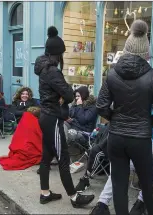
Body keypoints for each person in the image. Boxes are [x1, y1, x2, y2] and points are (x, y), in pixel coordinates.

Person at [96, 20, 153, 215]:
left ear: (127, 48)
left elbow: (101, 106)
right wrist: (146, 123)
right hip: (141, 138)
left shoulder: (112, 73)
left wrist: (116, 118)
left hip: (117, 137)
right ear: (146, 52)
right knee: (147, 183)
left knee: (119, 183)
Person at [90, 84, 153, 215]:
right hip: (141, 141)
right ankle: (102, 203)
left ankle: (142, 201)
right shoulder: (148, 109)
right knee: (120, 167)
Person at [34, 26, 95, 208]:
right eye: (62, 54)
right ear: (57, 54)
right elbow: (69, 95)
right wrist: (64, 95)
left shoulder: (42, 66)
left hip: (45, 116)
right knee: (63, 158)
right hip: (53, 118)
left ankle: (45, 193)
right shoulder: (52, 71)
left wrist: (62, 94)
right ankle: (74, 197)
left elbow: (64, 93)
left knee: (46, 156)